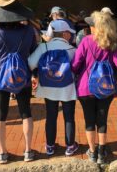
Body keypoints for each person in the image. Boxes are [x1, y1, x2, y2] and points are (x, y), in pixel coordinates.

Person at [0, 0, 36, 164]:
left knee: (1, 115)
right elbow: (34, 54)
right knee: (26, 112)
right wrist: (34, 74)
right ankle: (28, 151)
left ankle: (2, 153)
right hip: (23, 78)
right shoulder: (28, 31)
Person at [72, 11, 117, 164]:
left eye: (92, 24)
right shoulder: (112, 43)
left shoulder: (86, 41)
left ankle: (92, 151)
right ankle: (102, 151)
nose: (89, 26)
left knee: (89, 120)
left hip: (85, 87)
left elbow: (75, 65)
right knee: (102, 120)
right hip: (106, 88)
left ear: (97, 27)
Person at [28, 20, 79, 156]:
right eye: (69, 33)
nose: (70, 36)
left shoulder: (43, 47)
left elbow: (31, 64)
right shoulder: (73, 50)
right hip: (67, 88)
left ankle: (50, 146)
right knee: (69, 117)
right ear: (64, 34)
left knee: (51, 116)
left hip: (48, 88)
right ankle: (70, 146)